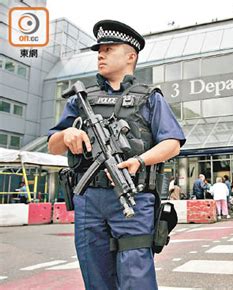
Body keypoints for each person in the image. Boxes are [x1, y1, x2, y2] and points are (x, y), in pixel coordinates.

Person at [47, 20, 186, 290]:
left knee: (137, 280)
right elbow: (53, 144)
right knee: (96, 280)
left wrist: (140, 160)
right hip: (89, 199)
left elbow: (172, 142)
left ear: (130, 56)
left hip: (133, 196)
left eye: (109, 49)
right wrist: (66, 136)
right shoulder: (82, 99)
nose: (101, 54)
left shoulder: (149, 98)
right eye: (99, 50)